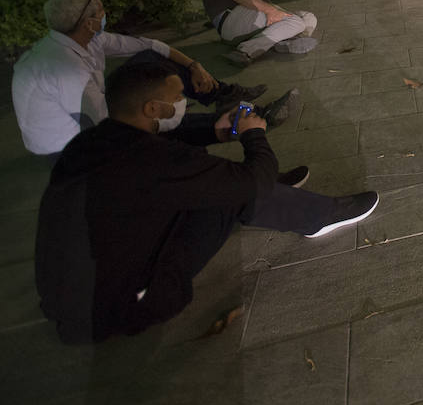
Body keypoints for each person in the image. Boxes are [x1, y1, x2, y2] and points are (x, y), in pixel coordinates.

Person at [34, 57, 379, 344]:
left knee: (213, 180)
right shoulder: (151, 161)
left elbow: (169, 145)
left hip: (75, 298)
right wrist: (254, 136)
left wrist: (215, 131)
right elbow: (239, 180)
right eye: (178, 97)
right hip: (123, 305)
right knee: (233, 195)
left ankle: (276, 193)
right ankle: (319, 217)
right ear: (153, 107)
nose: (184, 102)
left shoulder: (93, 142)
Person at [12, 0, 296, 158]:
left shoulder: (86, 38)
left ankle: (225, 100)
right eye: (100, 12)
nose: (105, 15)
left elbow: (151, 45)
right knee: (163, 125)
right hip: (70, 146)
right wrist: (167, 117)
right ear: (87, 23)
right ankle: (239, 122)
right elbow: (106, 126)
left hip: (93, 112)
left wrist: (194, 66)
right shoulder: (64, 69)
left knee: (152, 61)